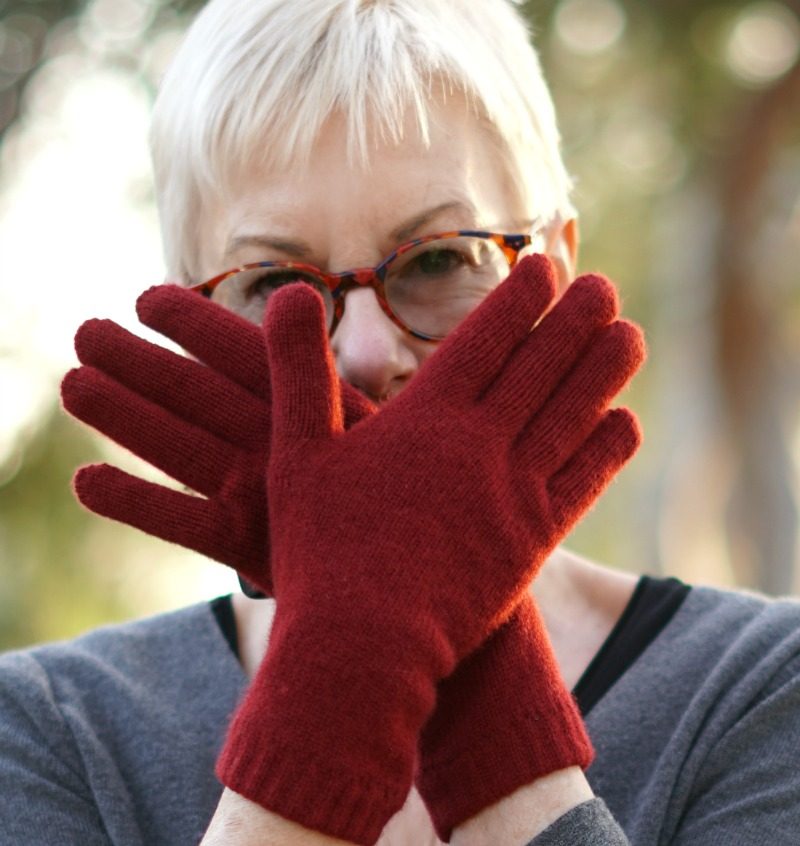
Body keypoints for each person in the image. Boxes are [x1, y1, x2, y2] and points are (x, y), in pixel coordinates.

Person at [1, 1, 799, 845]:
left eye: (438, 258)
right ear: (192, 323)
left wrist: (472, 702)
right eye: (280, 287)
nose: (364, 353)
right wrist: (333, 686)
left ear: (555, 276)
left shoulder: (761, 691)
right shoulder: (53, 733)